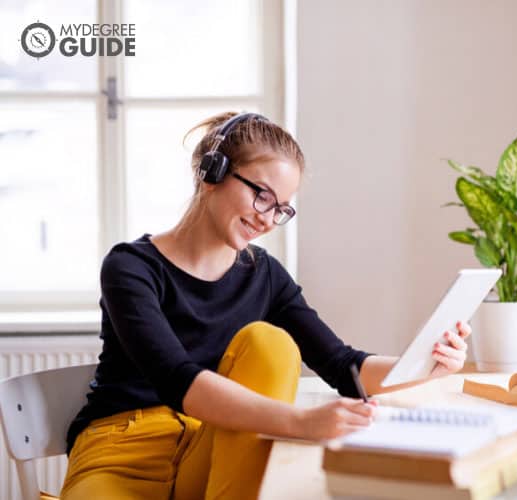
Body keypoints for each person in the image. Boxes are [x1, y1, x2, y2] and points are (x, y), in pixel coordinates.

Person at [60, 112, 472, 499]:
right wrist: (300, 422)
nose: (268, 219)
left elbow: (344, 365)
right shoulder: (131, 267)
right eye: (262, 195)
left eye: (281, 208)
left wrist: (425, 364)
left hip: (213, 446)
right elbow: (175, 378)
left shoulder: (266, 276)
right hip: (123, 450)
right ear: (212, 173)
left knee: (269, 343)